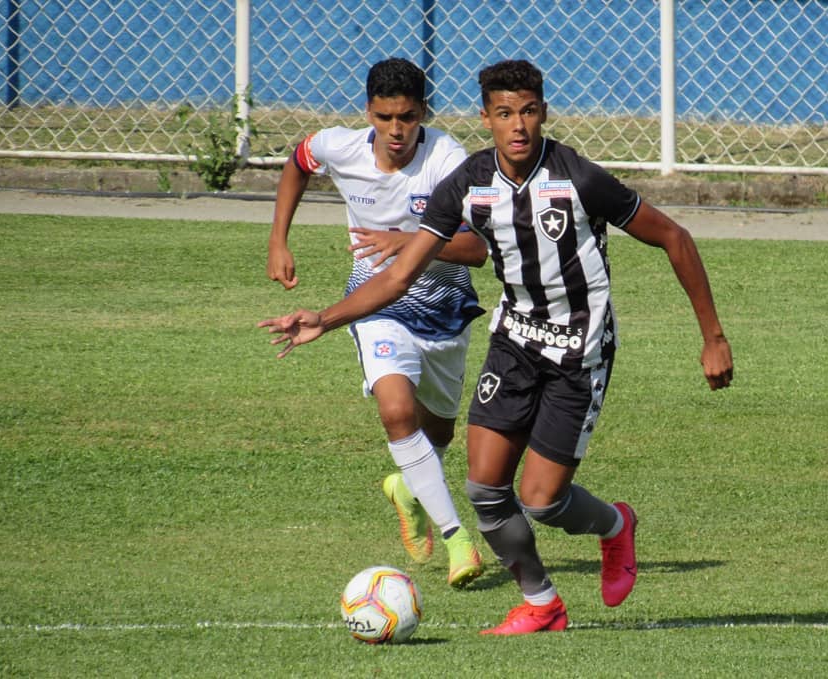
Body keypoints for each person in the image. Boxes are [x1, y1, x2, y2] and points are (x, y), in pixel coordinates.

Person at [259, 59, 734, 634]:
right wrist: (324, 319)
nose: (518, 126)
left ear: (543, 113)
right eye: (504, 113)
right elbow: (398, 274)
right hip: (514, 339)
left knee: (541, 501)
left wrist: (712, 337)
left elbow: (674, 237)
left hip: (580, 350)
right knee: (485, 488)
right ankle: (542, 603)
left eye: (529, 111)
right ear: (485, 118)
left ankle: (613, 526)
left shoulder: (579, 179)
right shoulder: (467, 183)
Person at [264, 57, 487, 589]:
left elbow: (478, 250)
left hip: (444, 306)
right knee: (395, 411)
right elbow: (299, 161)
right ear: (368, 112)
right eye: (384, 117)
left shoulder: (448, 160)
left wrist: (410, 242)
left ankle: (407, 488)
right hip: (376, 304)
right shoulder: (340, 146)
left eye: (407, 118)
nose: (395, 130)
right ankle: (459, 539)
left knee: (438, 433)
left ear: (422, 114)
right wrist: (278, 239)